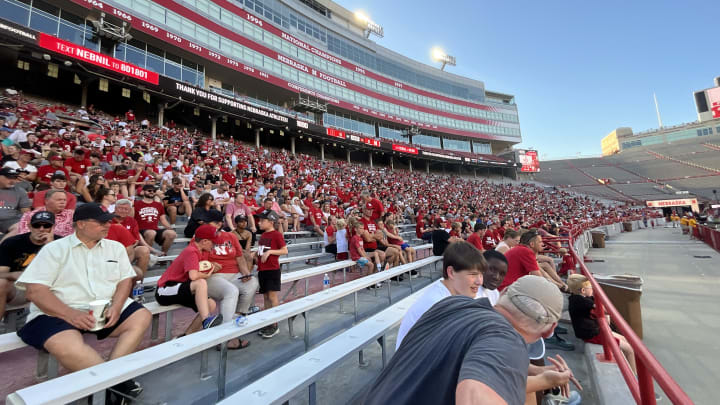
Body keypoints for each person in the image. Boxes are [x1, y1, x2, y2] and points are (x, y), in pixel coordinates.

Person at [15, 204, 151, 401]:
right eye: (101, 222)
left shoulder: (115, 247)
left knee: (141, 316)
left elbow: (124, 280)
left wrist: (117, 306)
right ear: (81, 224)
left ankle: (111, 380)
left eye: (108, 221)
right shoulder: (54, 249)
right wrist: (71, 314)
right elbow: (35, 291)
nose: (107, 225)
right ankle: (117, 385)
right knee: (66, 346)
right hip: (57, 311)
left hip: (101, 307)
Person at [364, 275, 564, 405]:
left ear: (504, 294)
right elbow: (475, 397)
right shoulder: (507, 341)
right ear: (549, 331)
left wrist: (537, 373)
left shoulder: (454, 303)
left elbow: (466, 350)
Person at [395, 241, 487, 348]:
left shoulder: (451, 295)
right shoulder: (439, 304)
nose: (480, 281)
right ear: (451, 272)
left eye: (481, 274)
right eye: (473, 274)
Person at [203, 210, 258, 350]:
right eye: (210, 223)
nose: (218, 225)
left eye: (217, 222)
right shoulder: (200, 237)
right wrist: (209, 265)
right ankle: (226, 338)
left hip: (233, 274)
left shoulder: (230, 236)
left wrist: (245, 272)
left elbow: (239, 257)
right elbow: (196, 260)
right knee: (231, 291)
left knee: (252, 283)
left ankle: (236, 318)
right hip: (212, 277)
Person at [155, 224, 223, 335]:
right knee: (200, 282)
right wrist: (207, 275)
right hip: (165, 289)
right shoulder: (191, 250)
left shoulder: (203, 250)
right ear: (204, 241)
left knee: (210, 304)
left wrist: (212, 265)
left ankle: (186, 336)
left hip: (181, 287)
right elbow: (193, 276)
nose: (214, 245)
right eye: (213, 242)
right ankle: (206, 320)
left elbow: (200, 268)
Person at [567, 274, 636, 373]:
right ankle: (634, 379)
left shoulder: (577, 298)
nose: (593, 289)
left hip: (595, 330)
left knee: (624, 339)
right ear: (583, 291)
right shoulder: (581, 302)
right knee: (629, 349)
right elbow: (606, 311)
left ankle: (630, 371)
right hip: (592, 334)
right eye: (590, 287)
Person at [0, 211, 60, 318]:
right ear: (30, 227)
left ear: (53, 227)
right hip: (20, 288)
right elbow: (1, 274)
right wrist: (13, 275)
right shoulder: (12, 243)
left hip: (52, 288)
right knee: (1, 283)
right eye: (36, 225)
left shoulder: (61, 243)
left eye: (46, 225)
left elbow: (66, 272)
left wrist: (50, 247)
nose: (41, 229)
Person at [253, 210, 288, 339]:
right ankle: (268, 321)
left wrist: (270, 252)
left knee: (272, 296)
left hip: (272, 269)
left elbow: (284, 250)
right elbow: (262, 251)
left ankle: (274, 323)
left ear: (271, 222)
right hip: (262, 269)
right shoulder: (263, 236)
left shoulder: (276, 234)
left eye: (262, 220)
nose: (259, 223)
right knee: (266, 297)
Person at [134, 185, 177, 255]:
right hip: (141, 230)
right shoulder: (136, 204)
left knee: (172, 234)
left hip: (154, 229)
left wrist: (170, 228)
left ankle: (163, 255)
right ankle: (147, 255)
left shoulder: (158, 205)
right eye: (149, 190)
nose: (152, 192)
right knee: (151, 233)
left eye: (154, 191)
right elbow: (132, 219)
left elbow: (163, 220)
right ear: (143, 192)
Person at [0, 167, 31, 239]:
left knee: (21, 227)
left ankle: (2, 245)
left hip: (10, 220)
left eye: (14, 178)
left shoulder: (20, 191)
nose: (12, 181)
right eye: (9, 178)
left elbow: (26, 213)